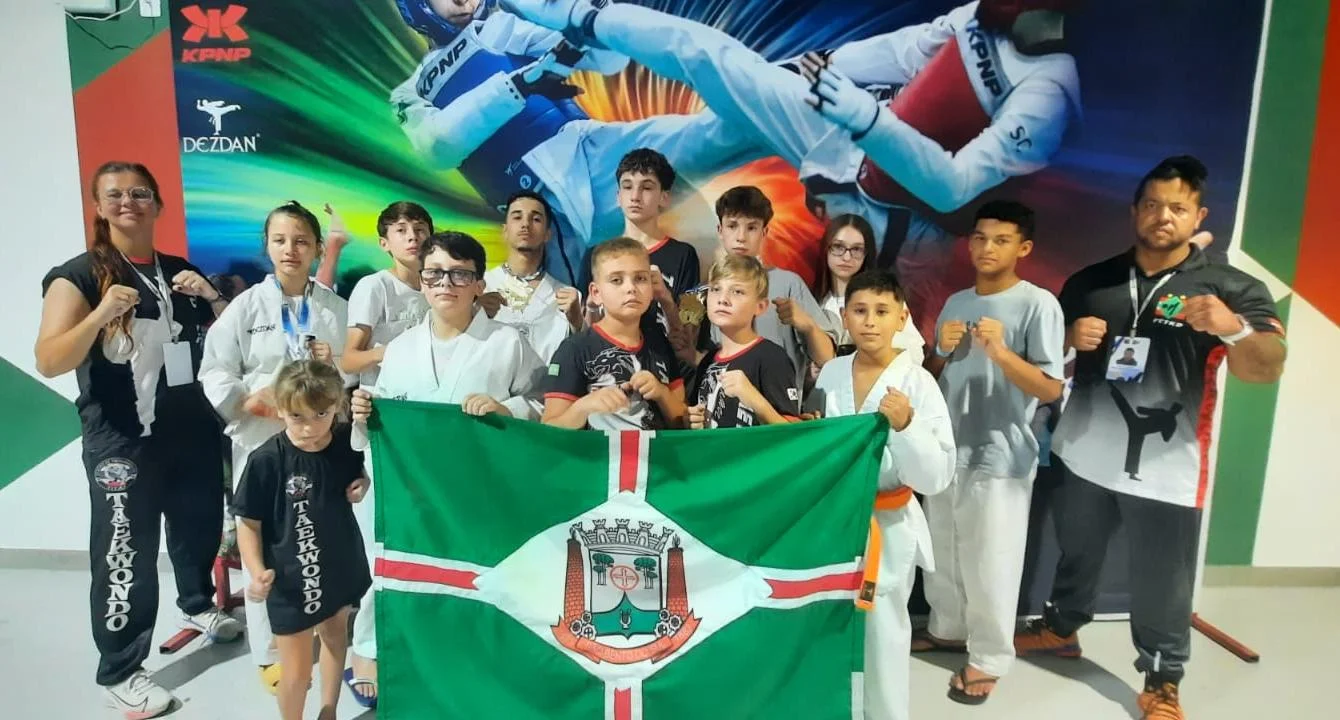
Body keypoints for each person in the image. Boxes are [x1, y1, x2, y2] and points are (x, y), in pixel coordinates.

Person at [498, 0, 1081, 330]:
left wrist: (865, 118)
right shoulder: (981, 14)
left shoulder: (1048, 93)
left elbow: (951, 186)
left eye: (748, 227)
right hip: (846, 146)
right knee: (714, 75)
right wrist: (815, 70)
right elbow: (907, 51)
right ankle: (574, 12)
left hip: (896, 220)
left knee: (871, 334)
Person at [1015, 156, 1286, 720]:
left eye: (1178, 208)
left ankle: (1163, 679)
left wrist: (1233, 327)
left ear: (1199, 216)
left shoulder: (1230, 289)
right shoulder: (1091, 281)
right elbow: (1045, 354)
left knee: (1162, 576)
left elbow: (1266, 368)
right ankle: (1062, 628)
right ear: (1135, 210)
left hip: (1167, 464)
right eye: (1153, 205)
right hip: (1085, 448)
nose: (1164, 216)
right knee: (1077, 549)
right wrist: (1068, 336)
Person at [35, 161, 241, 718]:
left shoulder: (179, 271)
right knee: (126, 550)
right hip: (123, 442)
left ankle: (196, 604)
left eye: (140, 193)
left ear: (158, 205)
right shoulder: (77, 276)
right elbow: (50, 359)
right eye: (116, 194)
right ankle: (121, 670)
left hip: (191, 431)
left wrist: (211, 297)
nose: (129, 201)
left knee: (199, 527)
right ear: (99, 207)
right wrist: (100, 313)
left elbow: (228, 339)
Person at [393, 0, 762, 284]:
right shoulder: (410, 93)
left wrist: (592, 19)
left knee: (713, 135)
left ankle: (786, 95)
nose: (464, 1)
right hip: (541, 216)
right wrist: (518, 85)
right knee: (566, 325)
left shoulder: (502, 27)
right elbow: (437, 147)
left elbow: (605, 59)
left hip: (592, 152)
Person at [199, 201, 351, 692]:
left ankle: (322, 632)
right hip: (262, 443)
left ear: (316, 248)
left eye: (302, 240)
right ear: (266, 246)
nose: (291, 249)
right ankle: (270, 651)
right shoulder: (245, 307)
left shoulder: (334, 308)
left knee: (316, 537)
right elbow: (214, 370)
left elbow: (350, 373)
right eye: (280, 240)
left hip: (317, 443)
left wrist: (335, 366)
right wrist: (246, 401)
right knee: (265, 544)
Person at [918, 200, 1065, 704]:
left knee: (991, 561)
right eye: (980, 238)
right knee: (942, 549)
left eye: (1001, 240)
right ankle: (948, 628)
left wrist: (1001, 353)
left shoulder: (1038, 304)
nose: (987, 248)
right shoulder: (956, 302)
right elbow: (932, 377)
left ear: (1023, 247)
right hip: (947, 447)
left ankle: (989, 657)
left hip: (1002, 452)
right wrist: (939, 351)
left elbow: (1050, 388)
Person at [805, 268, 955, 720]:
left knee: (884, 640)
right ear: (844, 317)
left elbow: (937, 476)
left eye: (882, 311)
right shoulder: (832, 372)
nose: (870, 321)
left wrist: (907, 425)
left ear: (901, 318)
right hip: (833, 524)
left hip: (887, 528)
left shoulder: (918, 384)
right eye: (860, 310)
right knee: (829, 633)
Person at [233, 360, 371, 720]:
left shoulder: (346, 441)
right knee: (295, 673)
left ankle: (329, 711)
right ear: (280, 409)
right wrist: (257, 570)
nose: (310, 427)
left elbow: (359, 473)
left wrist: (363, 483)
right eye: (297, 417)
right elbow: (247, 522)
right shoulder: (266, 461)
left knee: (335, 637)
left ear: (337, 405)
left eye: (321, 414)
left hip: (338, 560)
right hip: (291, 578)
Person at [336, 200, 433, 707]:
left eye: (420, 228)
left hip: (429, 434)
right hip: (383, 428)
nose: (412, 237)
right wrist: (396, 351)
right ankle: (366, 649)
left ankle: (411, 644)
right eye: (401, 230)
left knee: (425, 544)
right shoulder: (375, 287)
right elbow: (349, 359)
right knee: (385, 545)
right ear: (384, 241)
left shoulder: (439, 285)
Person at [351, 230, 547, 426]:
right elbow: (385, 420)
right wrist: (367, 410)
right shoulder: (399, 348)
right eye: (434, 273)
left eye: (459, 274)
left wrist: (506, 410)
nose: (445, 282)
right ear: (422, 283)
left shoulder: (508, 342)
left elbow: (543, 401)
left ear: (479, 286)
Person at [689, 186, 836, 396]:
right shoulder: (699, 294)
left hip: (778, 407)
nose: (741, 237)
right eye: (732, 226)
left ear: (764, 232)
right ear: (720, 230)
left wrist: (808, 325)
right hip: (721, 408)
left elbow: (827, 359)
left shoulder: (789, 284)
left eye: (751, 227)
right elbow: (690, 359)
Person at [543, 237, 688, 430]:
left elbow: (683, 422)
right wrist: (583, 407)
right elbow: (549, 429)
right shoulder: (575, 349)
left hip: (655, 449)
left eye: (640, 278)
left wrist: (662, 393)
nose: (631, 288)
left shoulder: (659, 344)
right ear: (596, 293)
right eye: (616, 280)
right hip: (599, 450)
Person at [578, 148, 701, 340]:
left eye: (647, 188)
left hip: (665, 356)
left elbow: (692, 331)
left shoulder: (684, 255)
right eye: (627, 187)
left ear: (664, 197)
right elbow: (583, 332)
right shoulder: (595, 254)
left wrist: (665, 298)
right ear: (618, 196)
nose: (635, 196)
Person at [687, 255, 799, 429]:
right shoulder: (707, 363)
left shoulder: (772, 358)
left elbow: (793, 433)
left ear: (760, 306)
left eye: (737, 292)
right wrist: (691, 421)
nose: (723, 299)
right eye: (715, 289)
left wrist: (753, 398)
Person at [481, 190, 584, 363]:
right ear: (505, 230)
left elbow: (583, 355)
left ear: (547, 234)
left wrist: (577, 322)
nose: (525, 224)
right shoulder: (481, 287)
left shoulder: (567, 298)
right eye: (517, 217)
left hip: (545, 381)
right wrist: (474, 314)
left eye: (536, 219)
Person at [813, 214, 926, 363]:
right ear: (826, 248)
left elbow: (914, 354)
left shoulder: (887, 297)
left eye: (856, 249)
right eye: (838, 247)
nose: (846, 257)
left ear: (866, 253)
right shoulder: (813, 302)